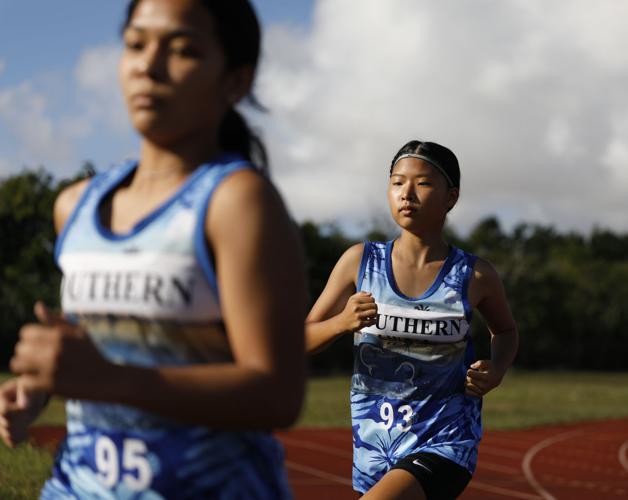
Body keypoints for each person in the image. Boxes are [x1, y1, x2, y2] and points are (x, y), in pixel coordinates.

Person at [0, 0, 307, 498]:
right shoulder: (74, 207)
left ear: (236, 81)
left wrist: (114, 380)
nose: (148, 65)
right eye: (135, 45)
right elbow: (103, 340)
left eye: (182, 49)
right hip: (80, 485)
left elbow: (277, 393)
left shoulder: (237, 203)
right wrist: (41, 385)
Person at [305, 140, 518, 499]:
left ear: (451, 197)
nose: (407, 193)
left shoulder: (475, 275)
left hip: (446, 441)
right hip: (375, 448)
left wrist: (496, 369)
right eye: (397, 181)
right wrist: (341, 322)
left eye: (422, 183)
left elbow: (506, 331)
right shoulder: (360, 262)